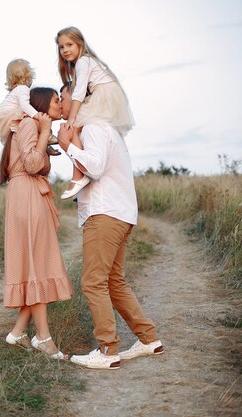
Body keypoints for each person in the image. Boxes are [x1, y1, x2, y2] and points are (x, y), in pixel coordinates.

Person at [57, 83, 163, 370]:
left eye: (63, 96)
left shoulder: (95, 127)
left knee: (93, 281)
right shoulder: (103, 128)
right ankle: (148, 339)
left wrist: (67, 146)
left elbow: (95, 166)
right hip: (119, 213)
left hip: (105, 214)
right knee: (114, 281)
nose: (61, 101)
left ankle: (107, 350)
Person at [0, 87, 73, 359]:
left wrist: (48, 139)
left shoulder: (31, 126)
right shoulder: (30, 124)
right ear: (42, 103)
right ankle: (43, 338)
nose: (59, 104)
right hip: (27, 196)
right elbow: (31, 164)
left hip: (29, 195)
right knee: (37, 266)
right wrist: (43, 134)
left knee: (36, 264)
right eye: (56, 99)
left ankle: (18, 333)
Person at [55, 26, 135, 200]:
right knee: (77, 128)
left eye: (70, 45)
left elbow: (79, 92)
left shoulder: (84, 61)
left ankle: (79, 176)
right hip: (106, 95)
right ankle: (80, 175)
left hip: (104, 96)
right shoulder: (83, 62)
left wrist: (72, 118)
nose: (65, 50)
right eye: (61, 47)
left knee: (75, 125)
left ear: (80, 44)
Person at [0, 58, 60, 155]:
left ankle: (45, 146)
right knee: (32, 119)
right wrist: (38, 116)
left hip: (1, 118)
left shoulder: (14, 91)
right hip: (8, 115)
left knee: (27, 135)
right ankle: (48, 138)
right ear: (28, 76)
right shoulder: (23, 88)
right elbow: (25, 105)